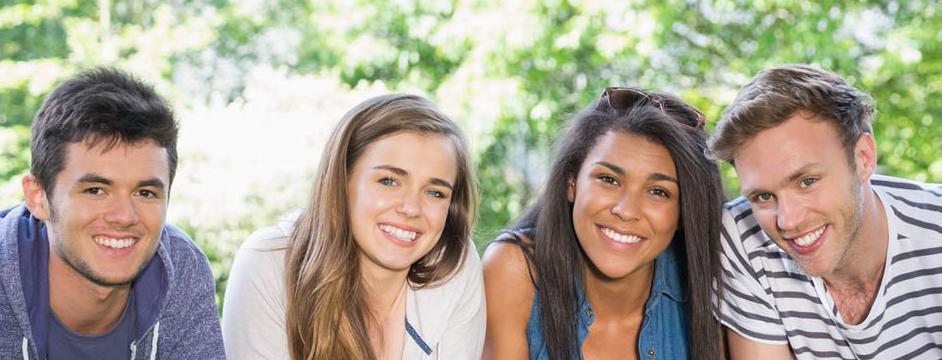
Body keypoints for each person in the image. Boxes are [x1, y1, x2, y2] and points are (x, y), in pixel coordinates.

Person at [222, 94, 485, 359]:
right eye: (389, 181)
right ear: (341, 180)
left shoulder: (454, 267)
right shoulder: (268, 263)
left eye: (435, 193)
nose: (411, 208)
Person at [710, 64, 942, 359]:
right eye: (764, 196)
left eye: (807, 182)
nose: (788, 220)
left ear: (863, 158)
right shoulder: (743, 236)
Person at [482, 87, 726, 359]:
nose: (626, 211)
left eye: (659, 192)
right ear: (571, 182)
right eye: (609, 179)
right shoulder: (515, 269)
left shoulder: (714, 281)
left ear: (684, 212)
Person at [0, 68, 225, 359]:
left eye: (145, 193)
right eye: (95, 190)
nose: (124, 216)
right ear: (38, 196)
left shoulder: (181, 270)